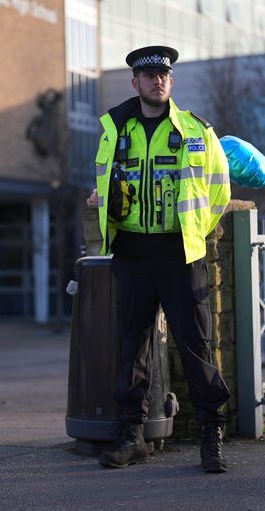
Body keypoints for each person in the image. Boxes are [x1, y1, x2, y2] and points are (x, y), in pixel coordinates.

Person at [87, 45, 232, 473]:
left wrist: (194, 234)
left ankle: (212, 434)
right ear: (135, 82)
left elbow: (219, 191)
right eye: (148, 75)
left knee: (196, 345)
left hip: (179, 253)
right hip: (132, 252)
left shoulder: (195, 130)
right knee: (132, 345)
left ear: (171, 81)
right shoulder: (116, 130)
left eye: (163, 75)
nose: (157, 81)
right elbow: (105, 184)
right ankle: (131, 435)